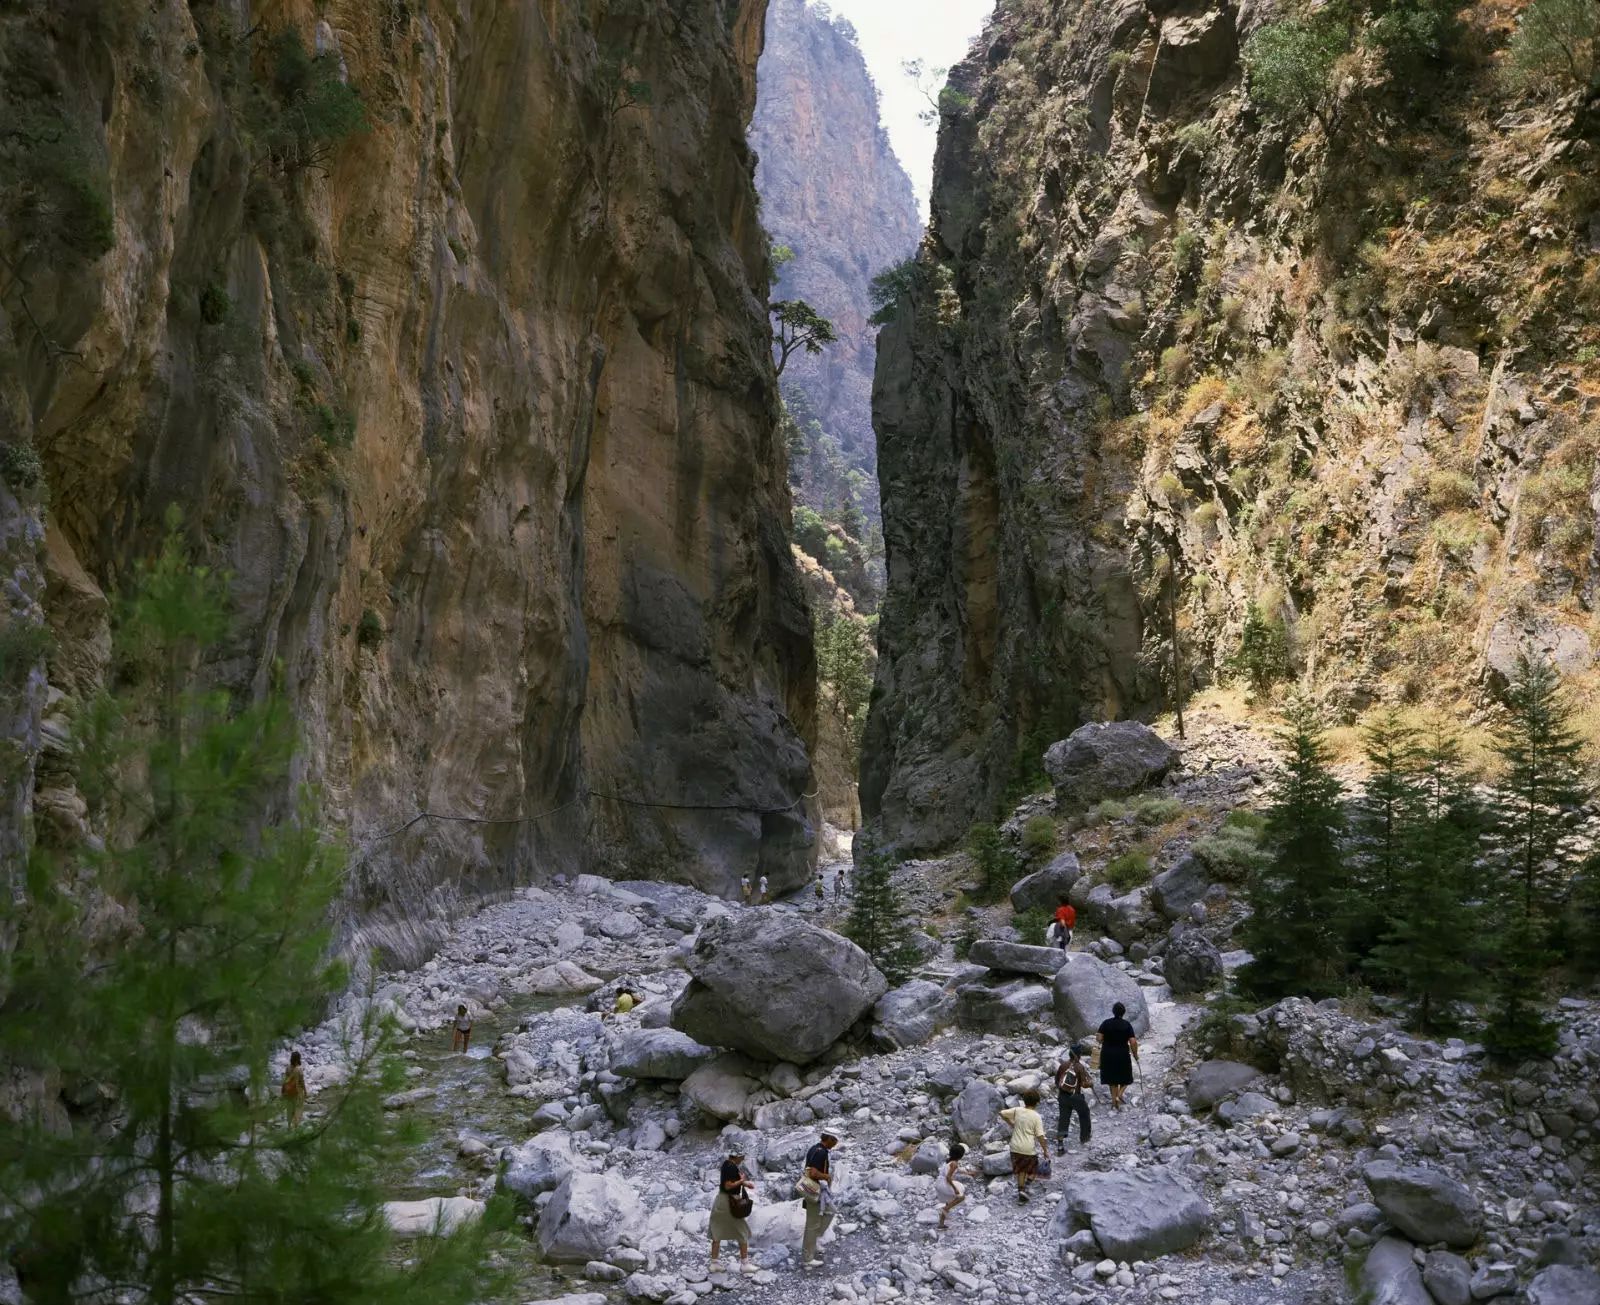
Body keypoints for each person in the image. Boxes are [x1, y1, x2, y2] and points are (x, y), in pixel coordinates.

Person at [709, 1149, 758, 1273]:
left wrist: (744, 1184)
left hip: (720, 1200)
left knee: (717, 1231)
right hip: (729, 1203)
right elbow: (727, 1185)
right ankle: (745, 1264)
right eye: (741, 1157)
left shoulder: (727, 1164)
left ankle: (714, 1263)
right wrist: (741, 1181)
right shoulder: (731, 1167)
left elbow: (730, 1182)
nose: (742, 1159)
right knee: (742, 1231)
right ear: (736, 1156)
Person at [998, 1089, 1049, 1202]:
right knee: (1034, 1170)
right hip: (1028, 1148)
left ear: (1025, 1101)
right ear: (1036, 1102)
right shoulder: (1036, 1116)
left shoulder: (1017, 1110)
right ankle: (1025, 1188)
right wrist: (1045, 1150)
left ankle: (1021, 1192)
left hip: (1015, 1147)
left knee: (1021, 1170)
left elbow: (1001, 1113)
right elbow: (1040, 1136)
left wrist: (1011, 1123)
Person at [799, 1129, 838, 1268]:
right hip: (814, 1191)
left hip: (816, 1190)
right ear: (830, 1139)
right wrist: (826, 1176)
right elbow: (814, 1173)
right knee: (812, 1224)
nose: (836, 1144)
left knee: (830, 1211)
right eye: (835, 1140)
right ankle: (807, 1258)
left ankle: (814, 1241)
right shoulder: (821, 1152)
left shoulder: (815, 1148)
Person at [1097, 1001, 1140, 1110]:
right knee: (1126, 1077)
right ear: (1123, 1012)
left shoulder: (1106, 1023)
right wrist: (1135, 1055)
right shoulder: (1127, 1025)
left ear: (1113, 1012)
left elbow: (1099, 1038)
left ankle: (1114, 1100)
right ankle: (1120, 1094)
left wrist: (1104, 1039)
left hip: (1107, 1054)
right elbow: (1133, 1042)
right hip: (1122, 1054)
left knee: (1112, 1078)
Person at [1054, 1043, 1092, 1146]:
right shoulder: (1080, 1067)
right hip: (1075, 1096)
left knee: (1064, 1119)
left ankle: (1060, 1145)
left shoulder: (1063, 1066)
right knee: (1084, 1113)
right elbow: (1084, 1084)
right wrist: (1090, 1084)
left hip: (1062, 1096)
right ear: (1079, 1054)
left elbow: (1057, 1082)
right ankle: (1085, 1138)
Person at [935, 1141, 969, 1229]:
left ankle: (941, 1224)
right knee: (961, 1197)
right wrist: (955, 1189)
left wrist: (969, 1173)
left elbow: (959, 1170)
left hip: (938, 1183)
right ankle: (946, 1208)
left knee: (948, 1202)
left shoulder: (950, 1162)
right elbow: (948, 1177)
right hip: (944, 1183)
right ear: (960, 1155)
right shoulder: (954, 1164)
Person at [281, 1050, 306, 1127]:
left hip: (289, 1092)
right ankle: (296, 1126)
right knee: (298, 1109)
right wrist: (305, 1091)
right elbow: (302, 1081)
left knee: (289, 1109)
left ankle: (288, 1125)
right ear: (299, 1059)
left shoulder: (288, 1067)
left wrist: (283, 1090)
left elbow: (285, 1079)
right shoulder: (299, 1069)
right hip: (297, 1092)